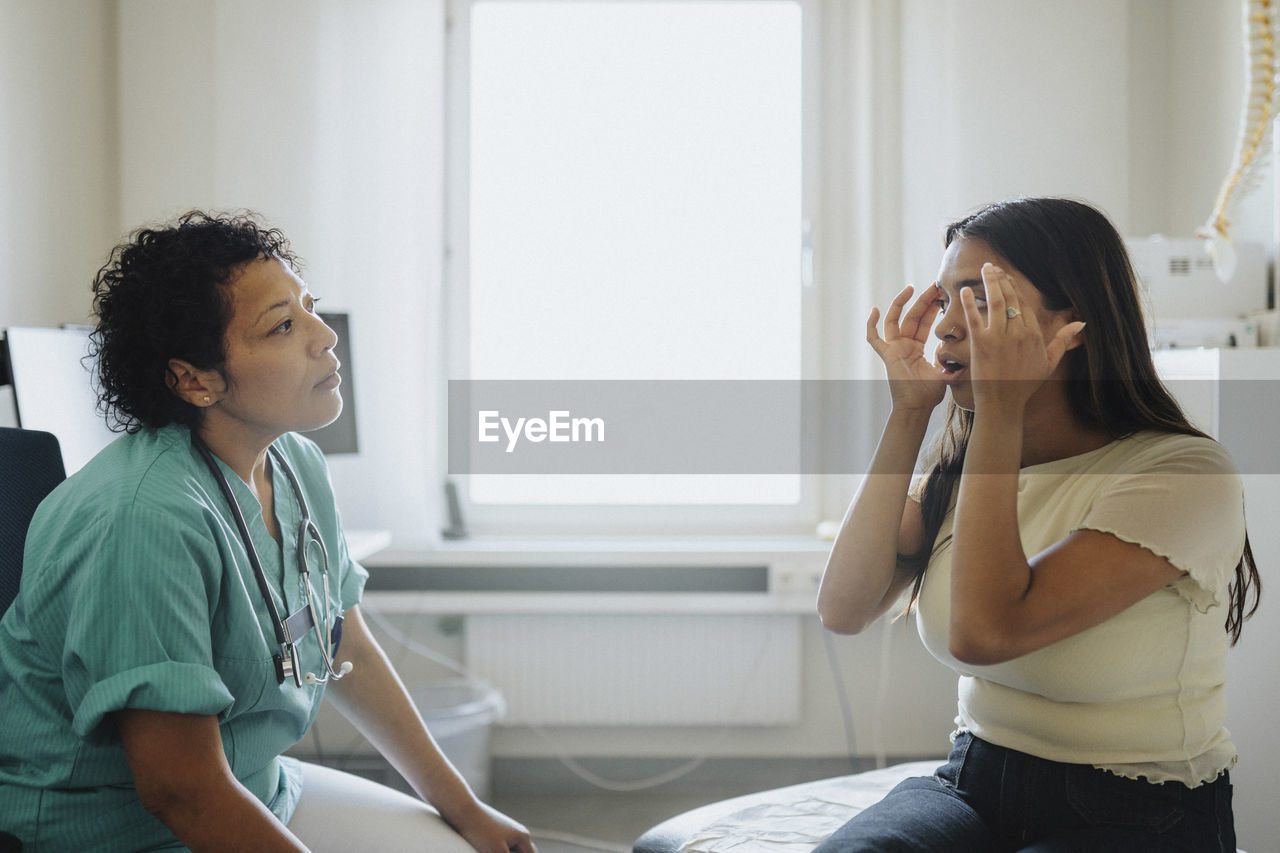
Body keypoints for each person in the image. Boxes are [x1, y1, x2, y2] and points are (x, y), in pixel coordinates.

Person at [0, 211, 536, 852]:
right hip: (121, 831)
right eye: (283, 326)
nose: (323, 337)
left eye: (310, 308)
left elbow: (347, 651)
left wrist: (467, 810)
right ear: (195, 380)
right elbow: (180, 791)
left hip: (259, 785)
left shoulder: (294, 462)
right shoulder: (141, 520)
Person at [815, 197, 1260, 852]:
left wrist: (998, 410)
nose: (945, 329)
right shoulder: (967, 469)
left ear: (1074, 319)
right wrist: (909, 413)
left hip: (1141, 810)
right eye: (944, 301)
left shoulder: (1184, 473)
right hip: (973, 778)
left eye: (981, 300)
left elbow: (984, 632)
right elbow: (843, 607)